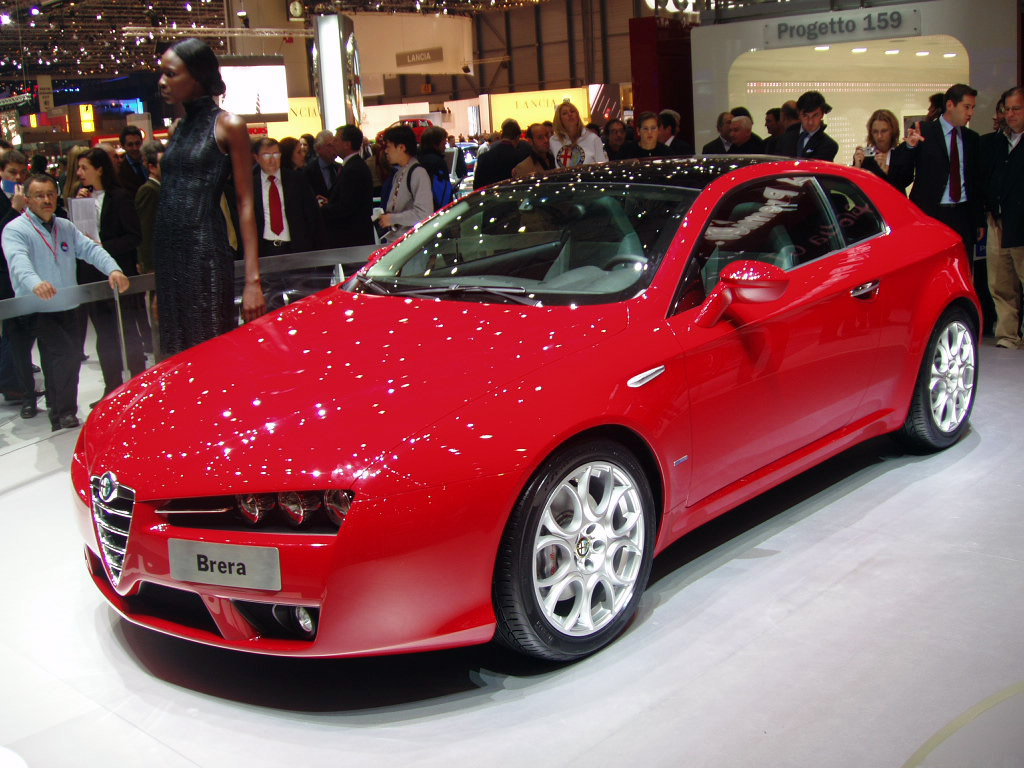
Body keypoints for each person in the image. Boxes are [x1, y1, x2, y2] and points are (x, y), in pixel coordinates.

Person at [152, 37, 266, 357]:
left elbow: (245, 203)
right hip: (169, 257)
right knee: (175, 354)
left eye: (171, 74)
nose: (162, 82)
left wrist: (252, 281)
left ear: (199, 76)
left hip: (204, 255)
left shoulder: (228, 125)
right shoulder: (178, 129)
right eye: (161, 73)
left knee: (209, 350)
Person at [3, 174, 129, 429]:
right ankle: (61, 410)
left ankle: (62, 410)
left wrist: (113, 269)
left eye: (50, 194)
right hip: (36, 307)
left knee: (64, 358)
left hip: (68, 305)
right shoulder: (15, 230)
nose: (46, 200)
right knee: (65, 355)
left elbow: (90, 249)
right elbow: (18, 262)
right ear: (27, 199)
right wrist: (35, 283)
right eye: (39, 195)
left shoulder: (65, 226)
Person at [75, 147, 147, 398]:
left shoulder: (120, 197)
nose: (79, 173)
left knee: (127, 332)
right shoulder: (82, 198)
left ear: (99, 169)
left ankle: (138, 385)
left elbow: (133, 236)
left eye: (84, 167)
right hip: (91, 276)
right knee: (104, 336)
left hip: (119, 274)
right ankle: (111, 388)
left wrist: (104, 248)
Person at [890, 83, 984, 261]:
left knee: (962, 267)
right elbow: (900, 176)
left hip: (963, 214)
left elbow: (976, 181)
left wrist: (979, 219)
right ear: (950, 105)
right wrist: (910, 148)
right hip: (933, 213)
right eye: (966, 107)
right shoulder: (924, 132)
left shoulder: (972, 138)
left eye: (973, 108)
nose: (970, 113)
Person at [980, 86, 1024, 349]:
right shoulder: (993, 142)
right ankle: (1007, 335)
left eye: (1016, 109)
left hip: (1022, 222)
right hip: (998, 221)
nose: (1010, 114)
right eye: (1007, 109)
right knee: (1000, 282)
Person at [251, 137, 322, 257]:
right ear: (257, 157)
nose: (272, 160)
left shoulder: (297, 180)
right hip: (264, 249)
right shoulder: (250, 185)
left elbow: (313, 216)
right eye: (267, 155)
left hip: (295, 247)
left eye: (276, 154)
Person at [378, 124, 433, 243]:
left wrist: (393, 218)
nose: (386, 151)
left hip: (411, 245)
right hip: (400, 242)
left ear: (402, 147)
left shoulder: (418, 173)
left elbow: (424, 213)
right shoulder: (400, 172)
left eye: (388, 147)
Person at [322, 124, 374, 247]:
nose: (333, 143)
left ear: (347, 144)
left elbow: (347, 206)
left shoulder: (353, 169)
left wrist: (322, 211)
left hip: (353, 239)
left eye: (336, 140)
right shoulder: (350, 166)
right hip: (352, 238)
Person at [134, 139, 163, 359]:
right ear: (151, 166)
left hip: (166, 266)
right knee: (159, 315)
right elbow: (146, 233)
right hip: (157, 268)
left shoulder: (162, 189)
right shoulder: (148, 191)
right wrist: (150, 267)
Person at [776, 91, 839, 161]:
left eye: (815, 115)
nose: (810, 122)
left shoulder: (828, 145)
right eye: (805, 116)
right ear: (799, 114)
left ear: (822, 115)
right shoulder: (783, 139)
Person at [852, 109, 904, 190]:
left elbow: (904, 182)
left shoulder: (901, 153)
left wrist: (887, 170)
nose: (879, 136)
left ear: (892, 131)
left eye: (884, 131)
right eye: (875, 132)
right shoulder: (865, 156)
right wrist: (857, 167)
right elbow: (856, 189)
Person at [473, 119, 529, 189]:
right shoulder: (522, 157)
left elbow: (477, 187)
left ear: (502, 135)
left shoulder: (484, 157)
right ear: (518, 137)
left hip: (490, 197)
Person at [550, 101, 607, 167]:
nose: (570, 114)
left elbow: (603, 165)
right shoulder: (554, 141)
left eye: (572, 111)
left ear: (577, 115)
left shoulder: (593, 139)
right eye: (564, 113)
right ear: (559, 119)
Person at [305, 130, 339, 207]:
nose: (334, 149)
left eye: (334, 145)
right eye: (330, 145)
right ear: (318, 148)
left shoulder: (339, 168)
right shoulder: (309, 171)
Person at [117, 125, 148, 197]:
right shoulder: (119, 169)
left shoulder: (151, 163)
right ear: (122, 146)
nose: (135, 148)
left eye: (137, 143)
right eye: (130, 145)